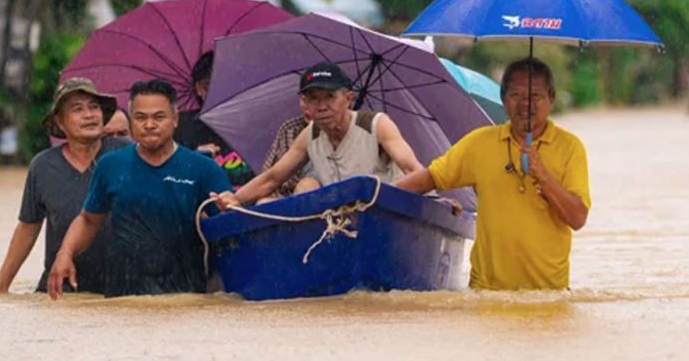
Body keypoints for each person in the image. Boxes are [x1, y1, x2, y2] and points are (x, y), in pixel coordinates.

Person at [394, 57, 590, 291]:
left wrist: (544, 176)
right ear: (503, 99)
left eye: (535, 96)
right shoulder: (480, 143)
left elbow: (578, 218)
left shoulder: (570, 147)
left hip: (549, 296)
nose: (526, 104)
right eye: (516, 95)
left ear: (551, 99)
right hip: (487, 294)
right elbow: (430, 178)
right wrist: (372, 197)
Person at [47, 79, 231, 299]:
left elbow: (228, 228)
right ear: (131, 121)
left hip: (185, 300)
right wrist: (65, 254)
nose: (149, 124)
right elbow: (88, 220)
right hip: (122, 300)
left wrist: (230, 207)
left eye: (159, 117)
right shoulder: (110, 166)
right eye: (141, 117)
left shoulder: (204, 168)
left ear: (175, 119)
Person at [210, 62, 422, 209]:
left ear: (349, 98)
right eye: (313, 98)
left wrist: (433, 198)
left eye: (330, 97)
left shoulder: (377, 125)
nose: (321, 106)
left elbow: (413, 169)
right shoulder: (310, 135)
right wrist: (235, 199)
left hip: (384, 213)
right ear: (304, 103)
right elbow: (273, 178)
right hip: (341, 221)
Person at [0, 78, 126, 294]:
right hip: (61, 288)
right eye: (77, 109)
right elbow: (28, 227)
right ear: (60, 122)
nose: (89, 115)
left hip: (120, 288)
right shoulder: (42, 166)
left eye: (94, 107)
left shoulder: (127, 155)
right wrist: (1, 284)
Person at [176, 51, 254, 186]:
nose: (216, 92)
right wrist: (193, 160)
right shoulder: (179, 126)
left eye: (223, 84)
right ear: (198, 89)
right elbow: (170, 179)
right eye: (208, 85)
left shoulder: (254, 125)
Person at [257, 97, 316, 202]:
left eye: (314, 99)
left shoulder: (352, 126)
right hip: (290, 197)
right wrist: (235, 199)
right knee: (263, 202)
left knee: (308, 185)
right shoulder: (291, 129)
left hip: (331, 198)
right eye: (304, 99)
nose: (306, 106)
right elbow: (270, 178)